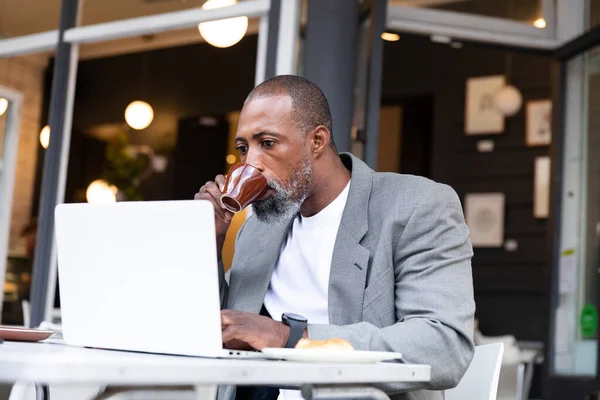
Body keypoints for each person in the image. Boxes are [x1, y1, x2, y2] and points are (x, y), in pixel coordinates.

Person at [195, 75, 475, 400]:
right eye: (244, 148)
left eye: (267, 143)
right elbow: (217, 327)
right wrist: (207, 243)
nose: (251, 163)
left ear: (317, 141)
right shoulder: (258, 228)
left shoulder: (416, 205)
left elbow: (443, 345)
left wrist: (292, 339)